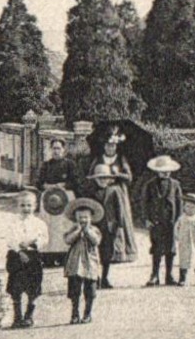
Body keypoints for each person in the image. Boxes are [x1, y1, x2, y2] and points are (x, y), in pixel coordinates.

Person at [86, 127, 136, 288]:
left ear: (116, 147)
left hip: (117, 192)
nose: (110, 148)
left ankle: (118, 254)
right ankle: (95, 275)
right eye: (108, 145)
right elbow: (91, 174)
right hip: (99, 192)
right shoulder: (98, 159)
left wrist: (117, 174)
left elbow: (129, 177)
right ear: (104, 146)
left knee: (116, 224)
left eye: (113, 146)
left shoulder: (121, 159)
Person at [139, 155, 184, 287]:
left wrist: (179, 220)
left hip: (171, 221)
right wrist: (146, 218)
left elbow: (179, 202)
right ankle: (154, 275)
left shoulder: (175, 185)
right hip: (156, 220)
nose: (166, 172)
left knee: (170, 248)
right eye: (163, 170)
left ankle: (169, 275)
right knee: (156, 247)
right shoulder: (150, 185)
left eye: (168, 170)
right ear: (157, 171)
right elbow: (144, 203)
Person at [6, 190, 47, 328]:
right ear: (17, 206)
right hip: (16, 257)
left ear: (35, 206)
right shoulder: (12, 222)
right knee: (16, 287)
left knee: (33, 286)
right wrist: (18, 249)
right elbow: (10, 238)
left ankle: (29, 316)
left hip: (33, 257)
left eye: (29, 205)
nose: (26, 209)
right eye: (22, 205)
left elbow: (44, 238)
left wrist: (33, 244)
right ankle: (17, 317)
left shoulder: (39, 223)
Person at [64, 197, 104, 324]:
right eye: (80, 217)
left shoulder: (94, 230)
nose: (83, 220)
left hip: (90, 263)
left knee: (90, 290)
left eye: (86, 217)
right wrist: (77, 231)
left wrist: (86, 231)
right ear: (75, 218)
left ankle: (87, 313)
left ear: (91, 218)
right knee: (74, 290)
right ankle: (75, 313)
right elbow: (67, 240)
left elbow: (96, 241)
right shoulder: (73, 229)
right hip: (75, 263)